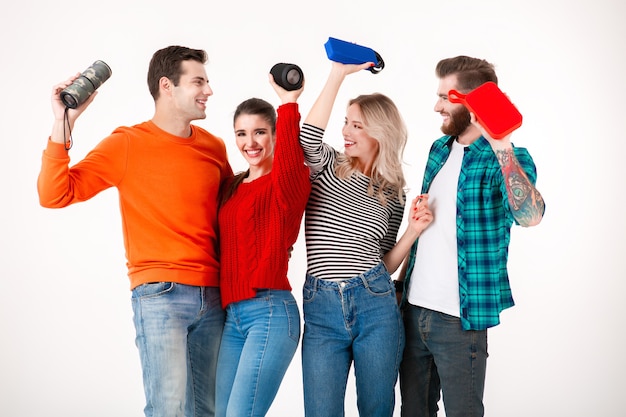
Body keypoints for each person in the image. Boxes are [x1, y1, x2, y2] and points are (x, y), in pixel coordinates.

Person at [37, 45, 232, 417]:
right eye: (199, 82)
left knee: (208, 411)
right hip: (161, 296)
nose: (209, 91)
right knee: (168, 409)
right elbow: (54, 193)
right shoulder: (127, 143)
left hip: (214, 296)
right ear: (167, 86)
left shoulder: (214, 147)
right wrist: (65, 120)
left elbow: (230, 216)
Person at [396, 55, 546, 417]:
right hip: (413, 311)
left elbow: (531, 216)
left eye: (445, 98)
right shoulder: (439, 150)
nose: (437, 107)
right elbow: (429, 232)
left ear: (472, 101)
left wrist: (501, 145)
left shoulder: (508, 159)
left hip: (459, 320)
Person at [298, 61, 433, 417]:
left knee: (377, 409)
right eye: (346, 121)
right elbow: (306, 137)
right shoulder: (328, 165)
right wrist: (337, 75)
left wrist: (413, 233)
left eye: (357, 125)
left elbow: (385, 261)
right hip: (321, 304)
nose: (345, 130)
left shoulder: (393, 191)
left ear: (380, 133)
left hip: (375, 303)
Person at [214, 72, 310, 416]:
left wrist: (288, 104)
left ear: (274, 134)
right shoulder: (233, 186)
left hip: (269, 312)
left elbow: (287, 157)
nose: (249, 142)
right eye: (241, 133)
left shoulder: (288, 182)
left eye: (259, 132)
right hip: (232, 316)